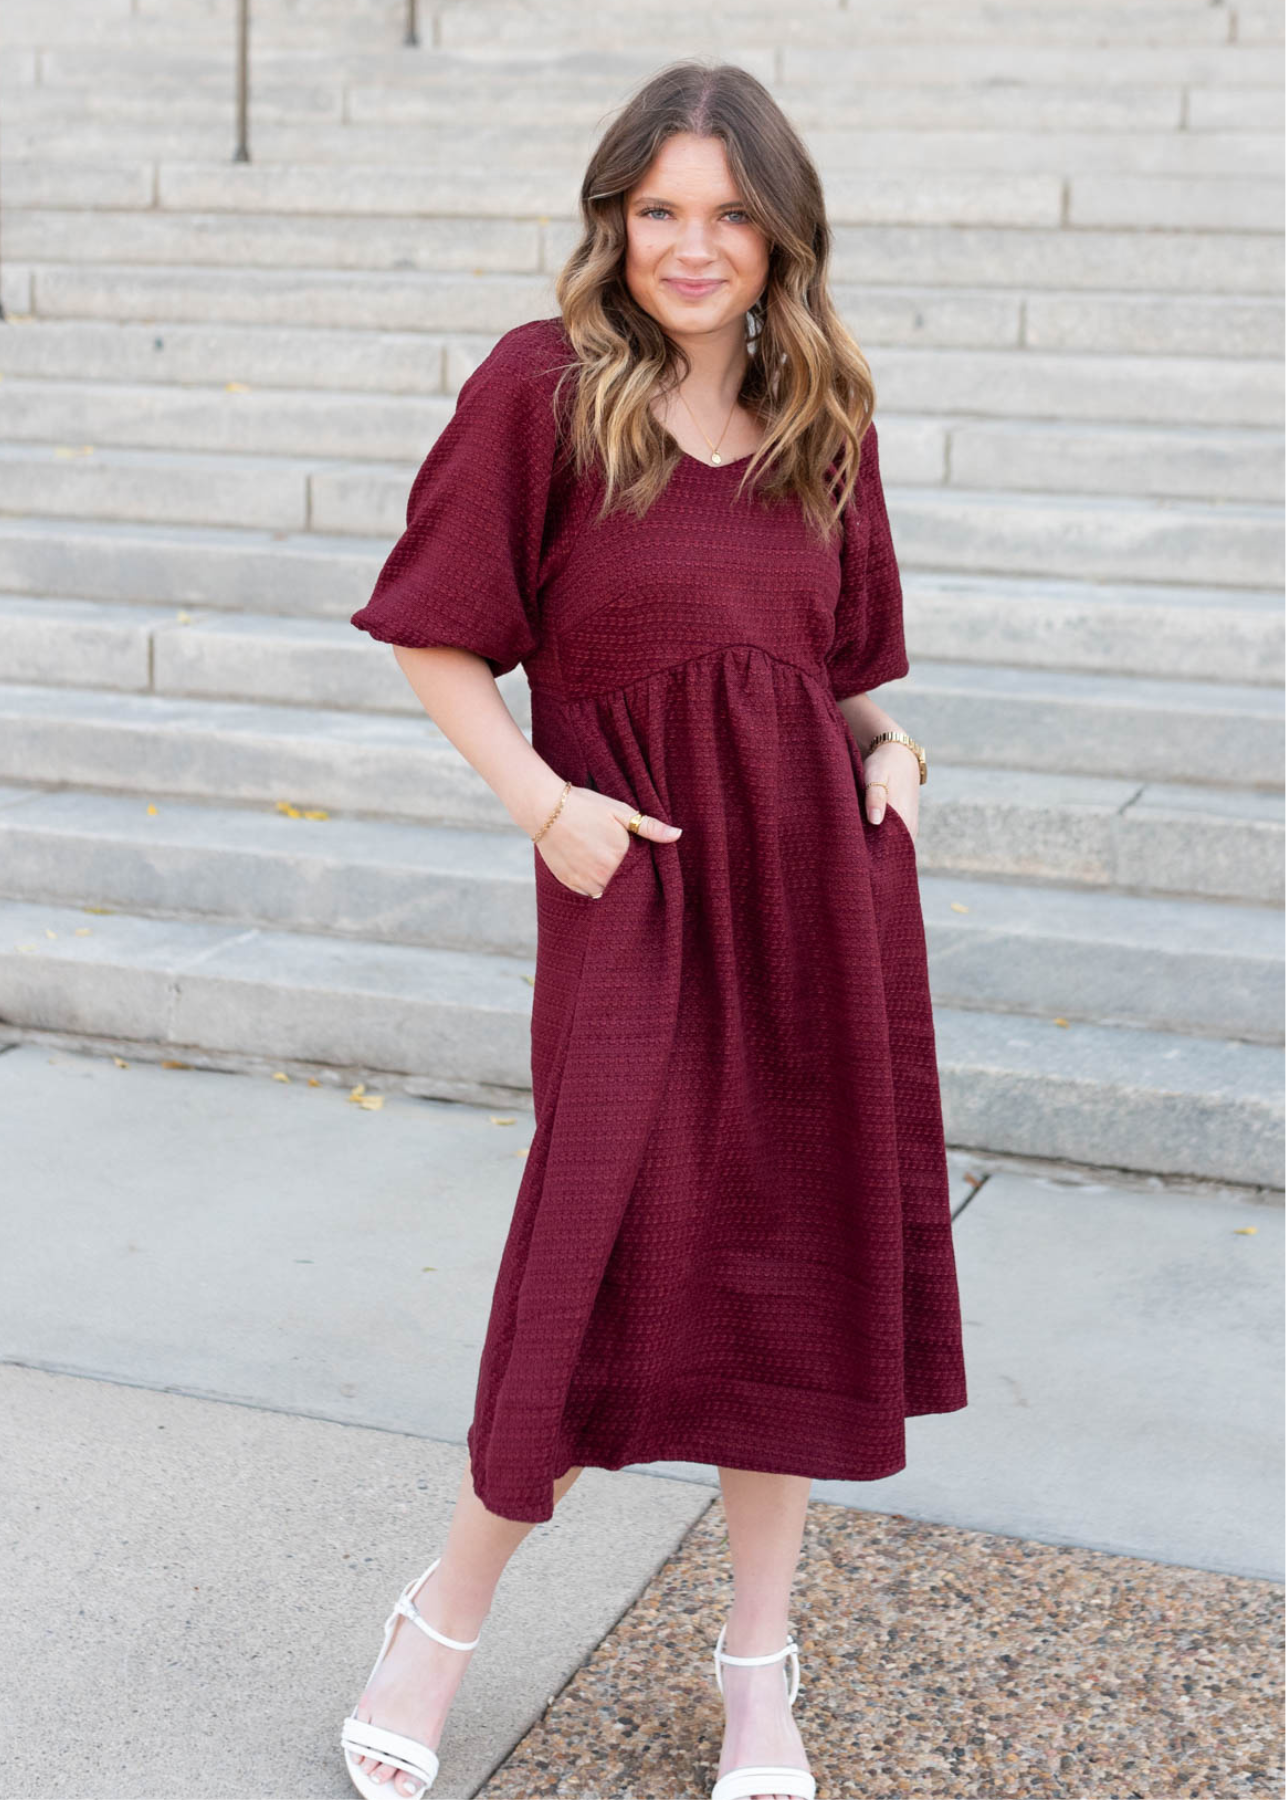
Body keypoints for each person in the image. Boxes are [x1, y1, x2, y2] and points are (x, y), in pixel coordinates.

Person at [339, 58, 966, 1800]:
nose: (690, 246)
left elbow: (821, 671)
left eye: (726, 215)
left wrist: (888, 745)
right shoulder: (541, 390)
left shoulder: (822, 413)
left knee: (794, 1254)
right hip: (633, 889)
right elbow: (435, 636)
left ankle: (758, 1676)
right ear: (615, 221)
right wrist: (546, 805)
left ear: (778, 238)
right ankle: (442, 1620)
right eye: (657, 211)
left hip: (813, 897)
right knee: (590, 1247)